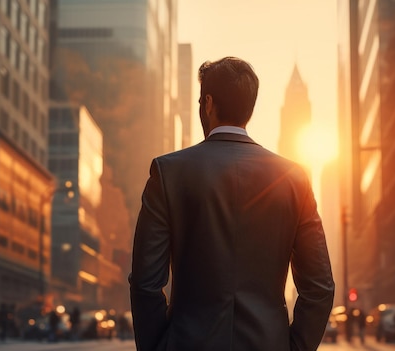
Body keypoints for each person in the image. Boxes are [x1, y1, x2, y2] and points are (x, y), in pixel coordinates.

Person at [129, 56, 335, 351]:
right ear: (249, 109)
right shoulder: (294, 180)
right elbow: (320, 288)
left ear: (208, 103)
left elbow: (146, 282)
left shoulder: (168, 172)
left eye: (201, 101)